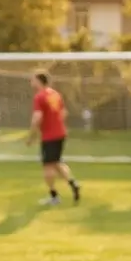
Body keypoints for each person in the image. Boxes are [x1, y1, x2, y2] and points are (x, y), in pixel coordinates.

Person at [26, 72, 80, 206]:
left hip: (49, 136)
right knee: (56, 162)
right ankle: (73, 184)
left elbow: (37, 117)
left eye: (32, 80)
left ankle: (54, 197)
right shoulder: (55, 94)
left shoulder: (40, 97)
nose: (31, 82)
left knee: (48, 166)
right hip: (60, 134)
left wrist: (31, 136)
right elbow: (63, 113)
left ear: (39, 81)